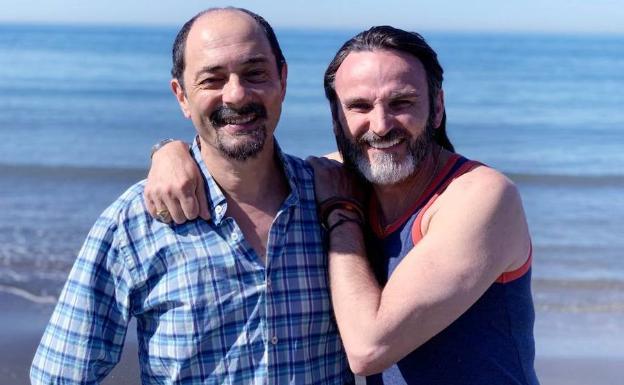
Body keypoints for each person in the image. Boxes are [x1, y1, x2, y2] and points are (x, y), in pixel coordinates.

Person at [147, 26, 540, 385]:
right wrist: (170, 152)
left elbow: (369, 348)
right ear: (336, 115)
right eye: (360, 107)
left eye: (401, 102)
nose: (381, 125)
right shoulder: (344, 174)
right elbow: (247, 169)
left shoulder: (480, 197)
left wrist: (341, 214)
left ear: (436, 107)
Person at [30, 8, 352, 385]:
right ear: (182, 96)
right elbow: (59, 375)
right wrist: (165, 148)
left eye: (255, 73)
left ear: (282, 79)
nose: (236, 94)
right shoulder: (135, 222)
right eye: (212, 80)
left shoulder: (336, 199)